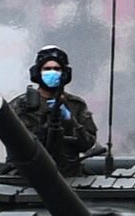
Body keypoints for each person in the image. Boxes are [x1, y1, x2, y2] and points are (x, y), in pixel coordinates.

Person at [9, 46, 98, 176]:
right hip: (28, 176)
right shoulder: (20, 105)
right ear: (37, 72)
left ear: (65, 74)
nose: (52, 72)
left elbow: (88, 144)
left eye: (57, 69)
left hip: (69, 176)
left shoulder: (75, 105)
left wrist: (70, 120)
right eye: (47, 69)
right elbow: (13, 142)